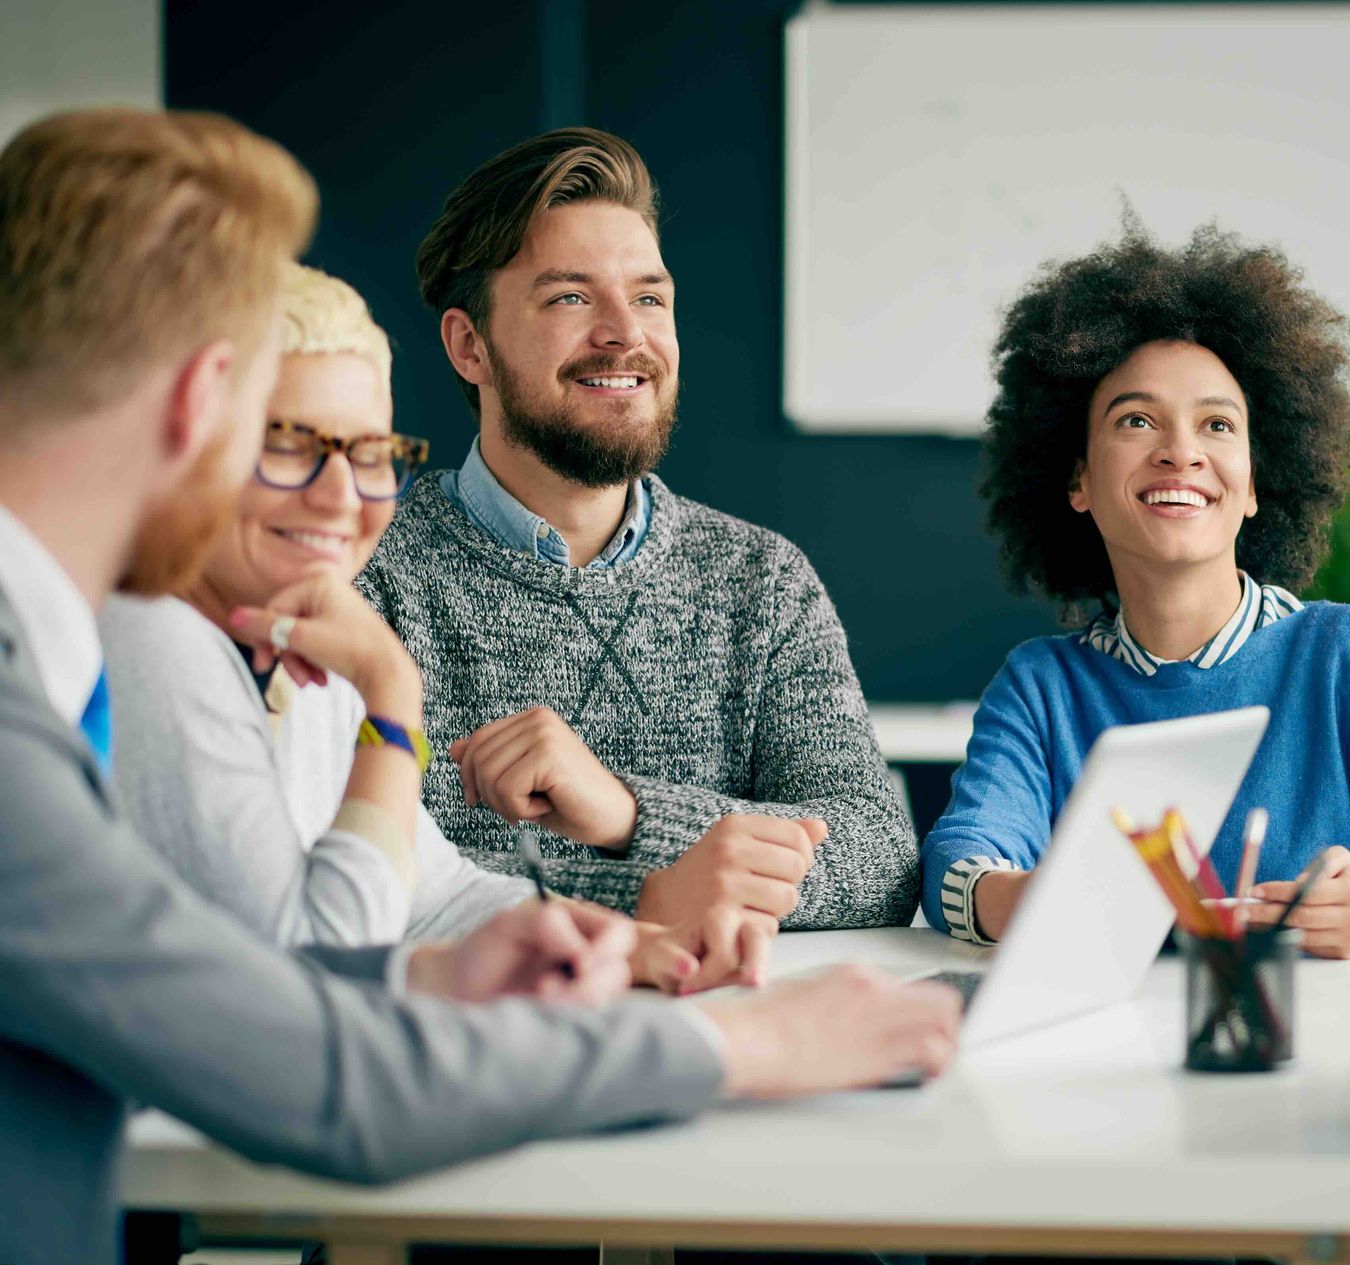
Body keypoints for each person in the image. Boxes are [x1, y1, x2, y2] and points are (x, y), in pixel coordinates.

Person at [0, 106, 959, 1265]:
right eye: (281, 429)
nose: (334, 496)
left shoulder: (67, 660)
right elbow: (314, 1055)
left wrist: (498, 931)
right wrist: (746, 1043)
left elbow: (291, 952)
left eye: (648, 294)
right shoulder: (206, 628)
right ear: (204, 397)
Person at [921, 222, 1350, 959]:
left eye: (1217, 423)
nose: (1181, 450)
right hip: (1113, 1061)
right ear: (1076, 478)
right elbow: (959, 865)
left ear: (1254, 486)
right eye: (1137, 420)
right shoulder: (1041, 687)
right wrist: (1023, 898)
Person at [358, 127, 916, 989]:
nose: (626, 336)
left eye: (651, 299)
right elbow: (381, 868)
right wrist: (660, 889)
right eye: (571, 298)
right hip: (494, 1058)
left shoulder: (761, 580)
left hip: (736, 1054)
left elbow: (879, 857)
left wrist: (630, 815)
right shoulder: (366, 569)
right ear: (469, 346)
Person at [101, 264, 703, 990]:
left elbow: (428, 894)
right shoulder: (148, 638)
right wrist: (392, 695)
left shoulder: (299, 644)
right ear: (195, 446)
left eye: (370, 454)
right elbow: (318, 965)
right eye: (289, 443)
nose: (340, 495)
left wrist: (615, 942)